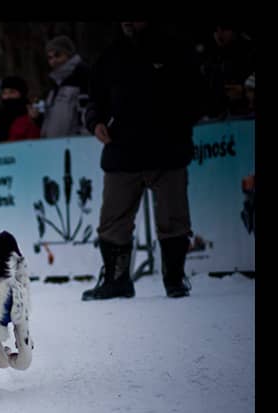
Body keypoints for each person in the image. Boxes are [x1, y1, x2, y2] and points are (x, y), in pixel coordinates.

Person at [82, 22, 206, 301]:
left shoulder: (175, 49)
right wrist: (96, 121)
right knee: (113, 222)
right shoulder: (111, 55)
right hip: (121, 151)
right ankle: (116, 281)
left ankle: (175, 279)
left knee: (174, 219)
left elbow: (199, 95)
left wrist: (176, 125)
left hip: (168, 151)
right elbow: (94, 100)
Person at [197, 24, 254, 119]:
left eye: (224, 30)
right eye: (216, 30)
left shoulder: (249, 51)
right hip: (219, 117)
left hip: (246, 115)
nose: (219, 34)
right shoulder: (210, 55)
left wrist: (244, 91)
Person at [38, 35, 91, 138]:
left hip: (76, 143)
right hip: (54, 143)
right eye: (50, 58)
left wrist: (84, 140)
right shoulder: (55, 84)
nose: (53, 60)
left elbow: (88, 113)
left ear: (69, 54)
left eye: (57, 55)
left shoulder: (82, 76)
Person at [0, 76, 41, 144]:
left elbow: (36, 143)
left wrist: (36, 121)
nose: (7, 96)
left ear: (21, 93)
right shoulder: (0, 119)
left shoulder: (32, 116)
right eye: (4, 93)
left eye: (12, 92)